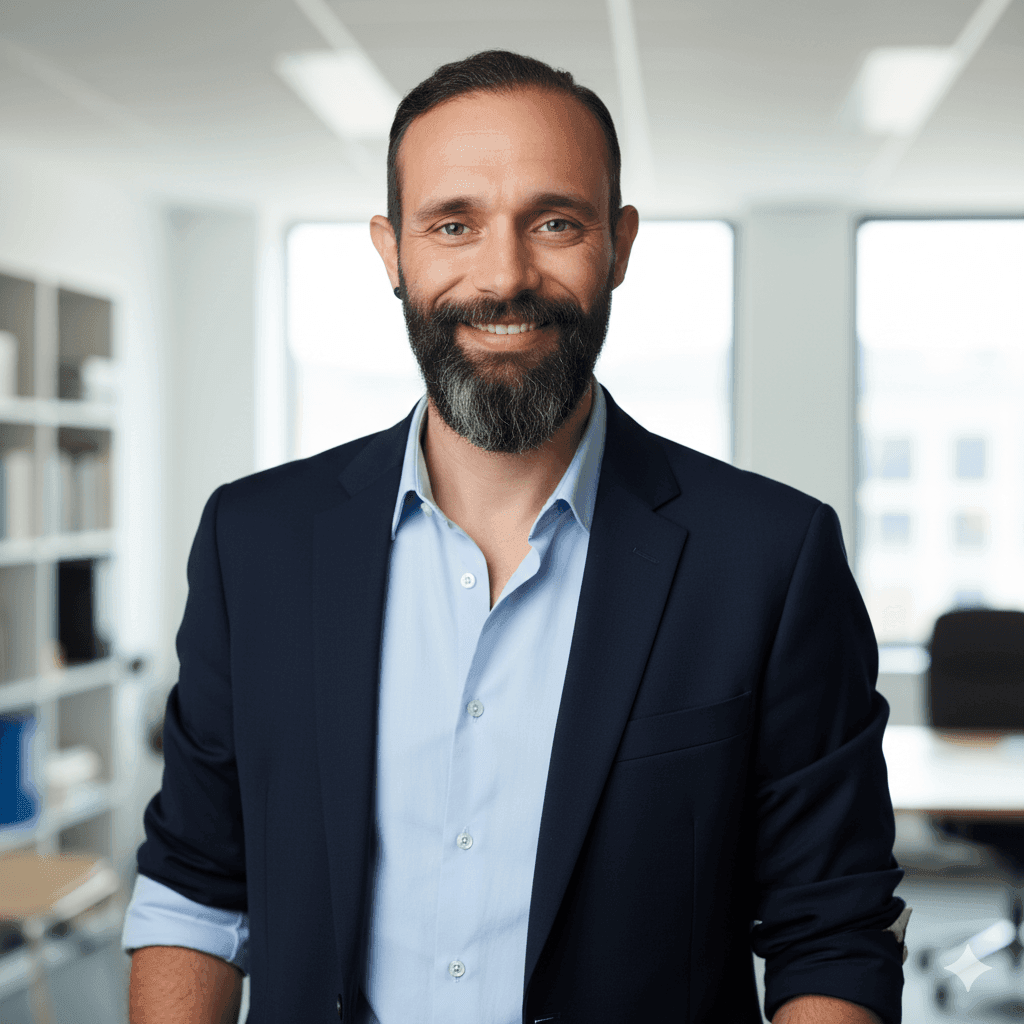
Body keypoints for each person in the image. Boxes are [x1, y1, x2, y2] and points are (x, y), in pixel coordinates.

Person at [123, 50, 909, 1024]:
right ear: (391, 251)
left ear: (618, 245)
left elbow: (829, 930)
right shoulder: (256, 545)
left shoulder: (769, 559)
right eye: (453, 224)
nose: (503, 276)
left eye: (555, 222)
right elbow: (195, 889)